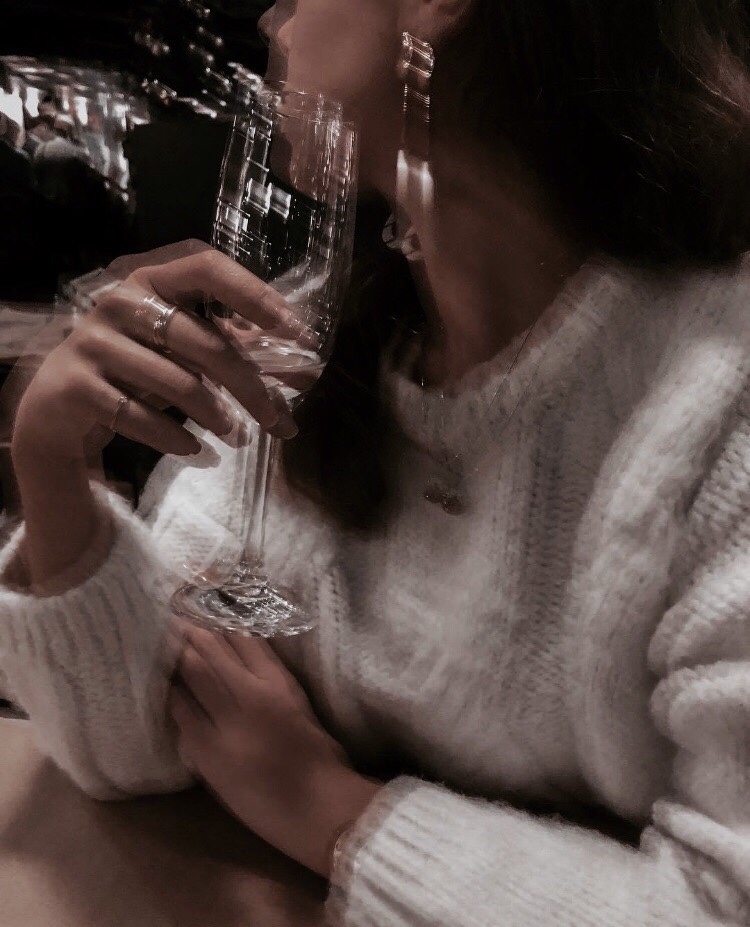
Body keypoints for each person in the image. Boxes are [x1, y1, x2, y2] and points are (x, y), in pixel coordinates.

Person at [2, 0, 750, 923]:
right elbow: (144, 733)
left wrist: (331, 811)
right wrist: (54, 479)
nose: (272, 14)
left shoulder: (720, 400)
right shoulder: (323, 336)